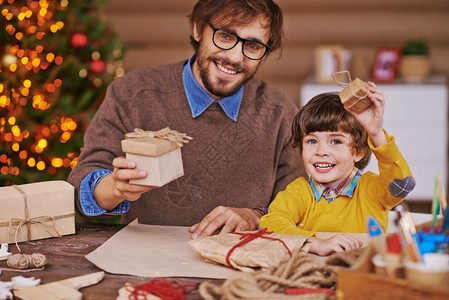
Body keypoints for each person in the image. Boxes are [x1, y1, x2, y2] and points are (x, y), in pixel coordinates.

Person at [67, 0, 306, 239]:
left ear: (263, 55)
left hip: (239, 263)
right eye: (225, 36)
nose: (234, 57)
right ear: (198, 28)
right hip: (147, 264)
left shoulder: (281, 112)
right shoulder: (132, 93)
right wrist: (116, 187)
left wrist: (255, 216)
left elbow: (301, 206)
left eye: (253, 46)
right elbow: (81, 189)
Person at [259, 84, 415, 256]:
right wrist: (315, 243)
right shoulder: (298, 191)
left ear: (358, 152)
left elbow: (402, 185)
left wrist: (376, 134)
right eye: (312, 141)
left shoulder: (371, 189)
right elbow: (270, 224)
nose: (321, 151)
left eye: (336, 141)